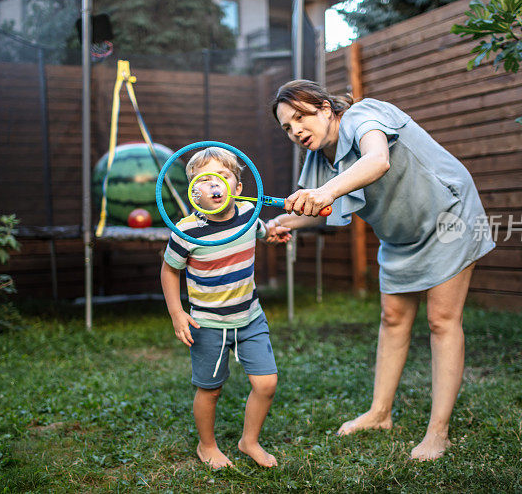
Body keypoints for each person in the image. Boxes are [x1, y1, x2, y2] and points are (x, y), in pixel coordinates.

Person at [264, 80, 495, 461]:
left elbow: (377, 160)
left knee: (441, 320)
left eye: (301, 117)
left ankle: (438, 433)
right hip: (400, 234)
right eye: (287, 128)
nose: (296, 131)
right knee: (392, 318)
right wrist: (283, 224)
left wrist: (327, 192)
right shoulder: (322, 156)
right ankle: (379, 413)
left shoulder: (364, 115)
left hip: (448, 217)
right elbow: (319, 208)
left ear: (325, 108)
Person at [160, 147, 289, 469]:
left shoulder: (248, 212)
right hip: (207, 323)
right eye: (204, 181)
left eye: (224, 176)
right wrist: (178, 313)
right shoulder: (186, 231)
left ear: (238, 187)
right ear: (193, 192)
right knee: (211, 390)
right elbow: (169, 270)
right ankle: (207, 446)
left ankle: (249, 441)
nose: (215, 185)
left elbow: (261, 231)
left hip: (250, 316)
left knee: (266, 383)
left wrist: (273, 234)